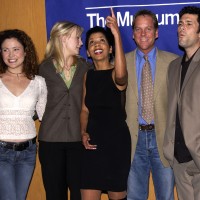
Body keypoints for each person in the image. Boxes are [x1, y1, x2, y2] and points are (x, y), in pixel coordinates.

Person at [125, 10, 178, 200]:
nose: (143, 34)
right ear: (132, 33)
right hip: (133, 140)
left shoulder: (174, 62)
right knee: (134, 196)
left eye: (148, 29)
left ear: (156, 32)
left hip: (163, 140)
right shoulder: (121, 63)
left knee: (165, 196)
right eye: (138, 29)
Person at [80, 8, 131, 200]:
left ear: (110, 48)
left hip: (116, 144)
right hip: (92, 145)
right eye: (92, 42)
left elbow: (120, 75)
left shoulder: (116, 74)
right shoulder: (88, 76)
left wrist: (117, 34)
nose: (97, 44)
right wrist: (83, 132)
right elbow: (84, 109)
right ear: (88, 52)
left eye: (102, 40)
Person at [38, 21, 91, 200]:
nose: (81, 43)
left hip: (77, 140)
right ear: (63, 38)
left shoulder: (86, 68)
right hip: (50, 141)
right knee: (54, 194)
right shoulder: (42, 69)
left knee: (78, 193)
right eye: (77, 38)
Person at [0, 29, 47, 200]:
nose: (10, 54)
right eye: (5, 50)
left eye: (15, 49)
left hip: (28, 151)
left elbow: (45, 116)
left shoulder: (39, 82)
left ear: (26, 52)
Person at [163, 6, 200, 200]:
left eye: (188, 24)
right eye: (179, 24)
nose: (181, 28)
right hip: (179, 159)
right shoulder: (174, 66)